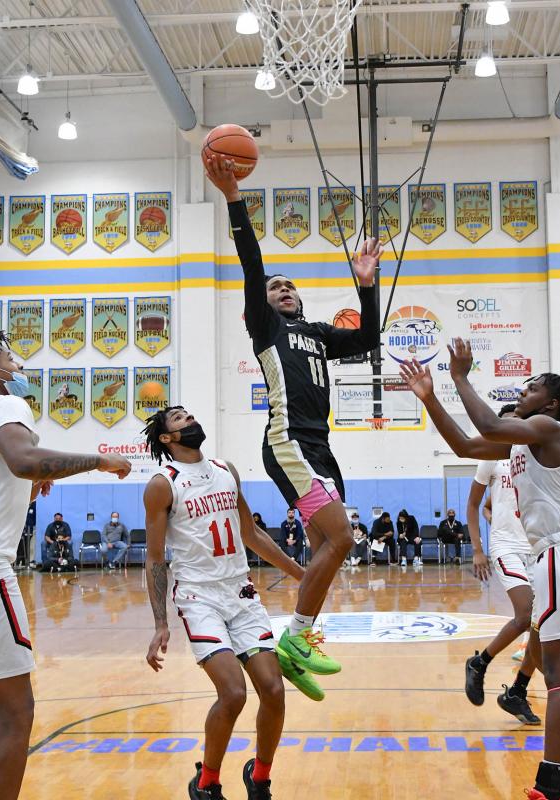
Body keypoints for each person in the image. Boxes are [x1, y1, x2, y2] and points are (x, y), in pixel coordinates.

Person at [206, 155, 382, 677]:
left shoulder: (319, 334)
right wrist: (235, 198)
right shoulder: (267, 329)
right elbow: (252, 264)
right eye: (275, 287)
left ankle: (301, 645)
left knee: (327, 546)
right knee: (345, 537)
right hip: (288, 441)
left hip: (320, 446)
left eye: (290, 285)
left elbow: (370, 338)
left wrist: (366, 287)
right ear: (261, 305)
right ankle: (297, 639)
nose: (283, 288)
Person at [399, 338, 560, 800]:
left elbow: (487, 422)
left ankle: (551, 779)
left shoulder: (549, 426)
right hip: (536, 550)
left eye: (530, 389)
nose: (522, 393)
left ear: (549, 403)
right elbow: (465, 442)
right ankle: (550, 776)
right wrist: (430, 399)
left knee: (557, 673)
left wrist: (460, 377)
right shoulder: (520, 446)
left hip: (552, 551)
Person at [142, 405, 324, 800]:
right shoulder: (163, 483)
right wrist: (160, 623)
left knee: (273, 691)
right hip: (199, 598)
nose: (190, 420)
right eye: (179, 420)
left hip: (240, 593)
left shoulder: (227, 470)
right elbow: (155, 558)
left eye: (190, 415)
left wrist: (301, 574)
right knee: (234, 693)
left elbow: (251, 533)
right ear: (166, 439)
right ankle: (206, 782)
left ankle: (259, 778)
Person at [0, 330, 131, 800]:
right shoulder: (3, 405)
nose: (19, 365)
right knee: (14, 711)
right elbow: (24, 459)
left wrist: (30, 484)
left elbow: (9, 478)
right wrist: (97, 460)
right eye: (11, 357)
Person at [464, 403, 540, 725]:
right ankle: (480, 662)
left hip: (539, 546)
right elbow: (474, 505)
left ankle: (517, 692)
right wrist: (477, 550)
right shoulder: (492, 458)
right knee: (525, 615)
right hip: (507, 546)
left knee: (542, 625)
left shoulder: (535, 455)